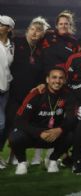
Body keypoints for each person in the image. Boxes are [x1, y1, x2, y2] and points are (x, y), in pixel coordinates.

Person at [9, 67, 77, 175]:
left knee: (72, 134)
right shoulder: (36, 93)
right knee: (15, 137)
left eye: (61, 78)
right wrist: (38, 132)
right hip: (34, 134)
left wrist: (60, 129)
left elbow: (72, 118)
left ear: (64, 80)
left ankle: (53, 160)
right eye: (54, 77)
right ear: (47, 79)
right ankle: (22, 162)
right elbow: (19, 120)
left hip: (54, 134)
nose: (57, 81)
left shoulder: (69, 94)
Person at [2, 17, 48, 163]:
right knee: (7, 123)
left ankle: (13, 155)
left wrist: (42, 83)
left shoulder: (42, 50)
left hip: (31, 95)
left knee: (24, 125)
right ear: (28, 30)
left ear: (42, 34)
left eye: (39, 30)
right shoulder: (16, 43)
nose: (35, 33)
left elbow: (43, 73)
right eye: (33, 29)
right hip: (13, 92)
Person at [0, 15, 14, 157]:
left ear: (9, 29)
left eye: (2, 24)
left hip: (6, 90)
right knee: (1, 124)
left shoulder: (12, 45)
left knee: (6, 125)